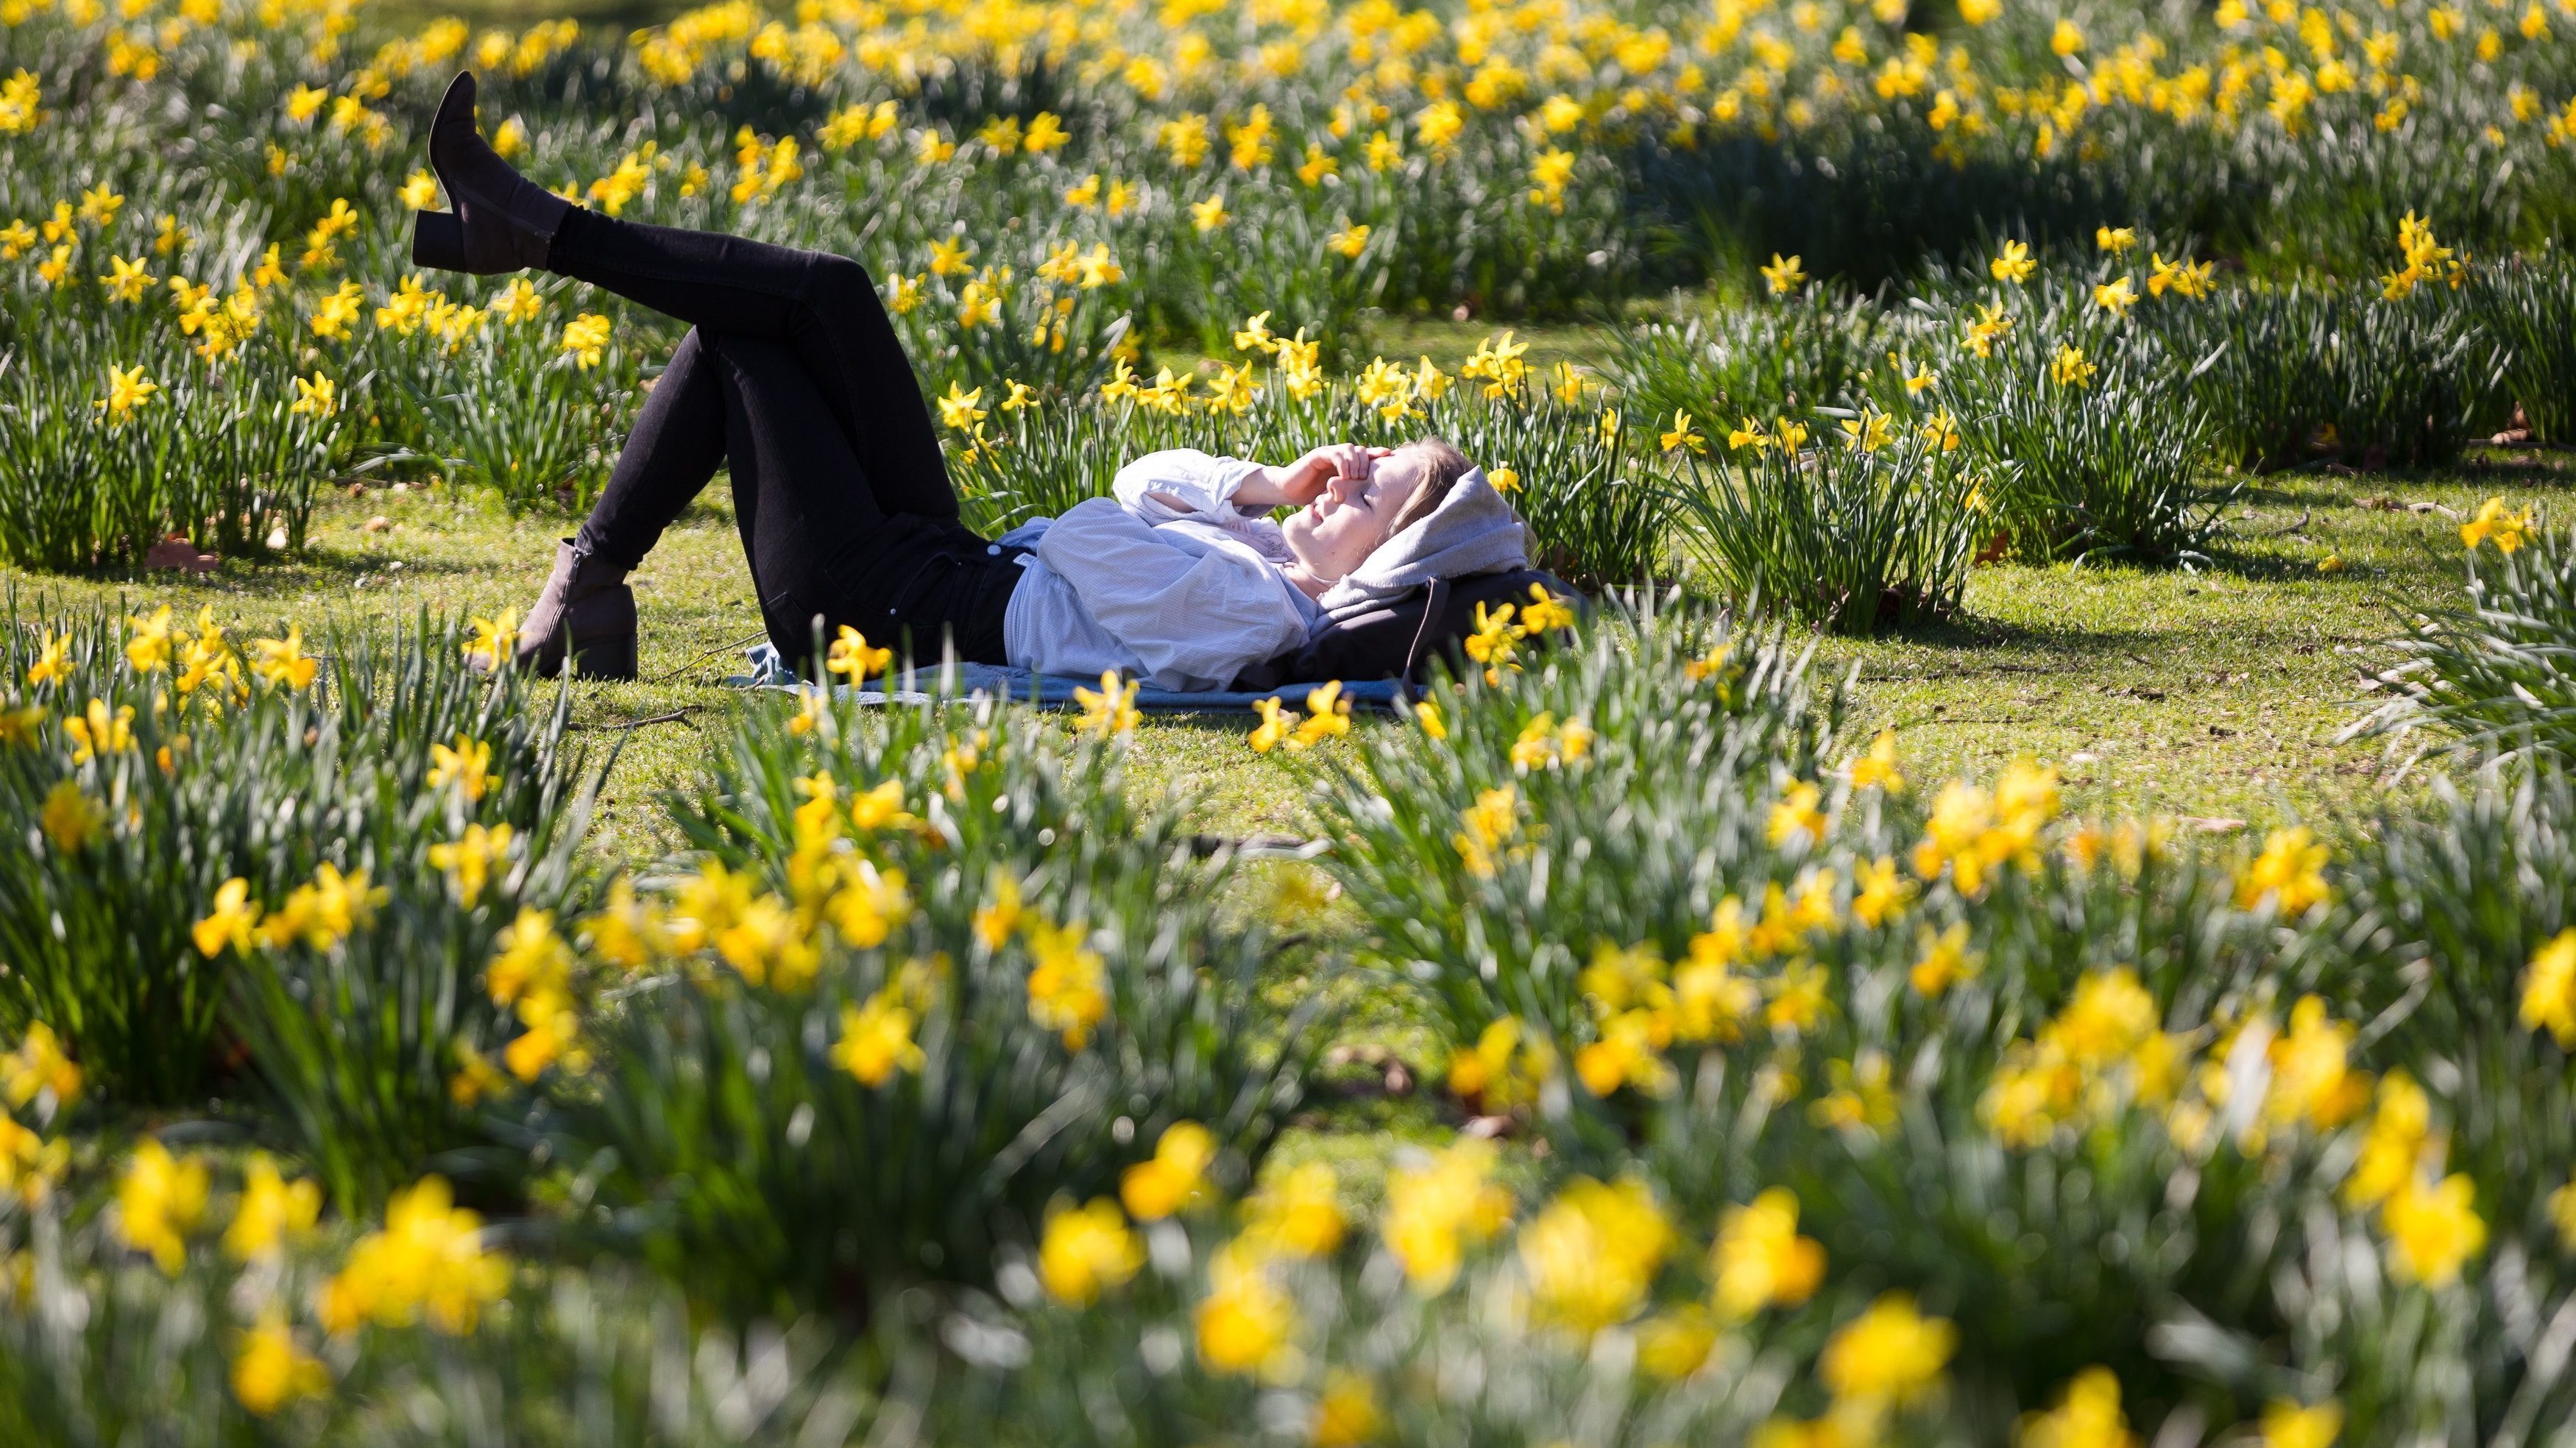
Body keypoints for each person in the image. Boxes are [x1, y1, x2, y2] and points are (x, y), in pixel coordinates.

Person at [409, 72, 1538, 689]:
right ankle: (538, 238)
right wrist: (1264, 491)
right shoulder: (1264, 551)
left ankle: (534, 249)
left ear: (1391, 560)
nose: (1351, 474)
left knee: (737, 341)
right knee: (828, 292)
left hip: (879, 617)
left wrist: (1253, 540)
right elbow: (1143, 477)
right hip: (946, 567)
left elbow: (1100, 527)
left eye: (1373, 492)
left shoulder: (1258, 607)